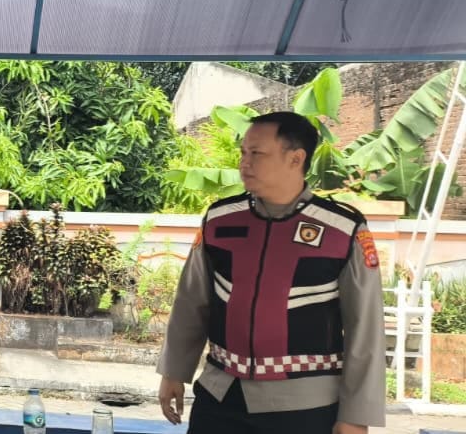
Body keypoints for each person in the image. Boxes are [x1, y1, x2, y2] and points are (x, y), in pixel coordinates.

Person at [156, 112, 386, 434]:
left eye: (257, 153)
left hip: (306, 407)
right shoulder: (220, 220)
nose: (244, 163)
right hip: (219, 396)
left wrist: (355, 416)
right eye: (243, 153)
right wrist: (174, 372)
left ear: (296, 158)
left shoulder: (342, 230)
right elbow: (191, 303)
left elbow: (366, 329)